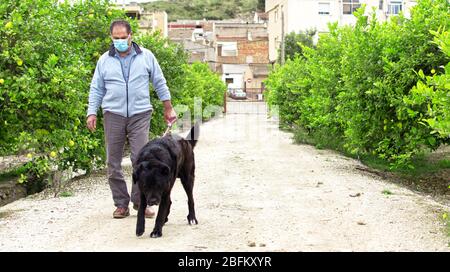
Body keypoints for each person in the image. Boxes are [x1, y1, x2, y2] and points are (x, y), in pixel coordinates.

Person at [86, 19, 177, 219]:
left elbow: (159, 81)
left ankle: (140, 202)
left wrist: (168, 108)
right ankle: (121, 204)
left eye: (123, 38)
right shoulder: (104, 60)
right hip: (113, 114)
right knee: (113, 161)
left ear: (131, 36)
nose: (119, 41)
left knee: (140, 159)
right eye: (115, 38)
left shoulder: (146, 57)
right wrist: (91, 112)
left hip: (140, 114)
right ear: (111, 37)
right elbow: (96, 88)